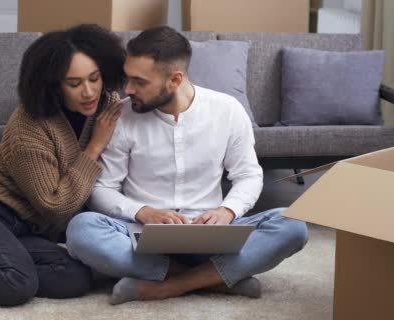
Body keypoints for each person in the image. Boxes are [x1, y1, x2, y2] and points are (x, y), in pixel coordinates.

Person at [65, 26, 308, 305]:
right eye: (127, 78)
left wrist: (227, 210)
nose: (128, 89)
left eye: (139, 82)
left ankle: (171, 285)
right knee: (81, 229)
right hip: (141, 236)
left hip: (212, 233)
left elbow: (249, 175)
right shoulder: (122, 116)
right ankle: (217, 280)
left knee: (293, 224)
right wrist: (143, 211)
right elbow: (103, 189)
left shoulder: (227, 110)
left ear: (175, 79)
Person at [0, 24, 126, 306]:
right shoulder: (28, 127)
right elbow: (55, 207)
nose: (89, 92)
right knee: (18, 283)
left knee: (75, 277)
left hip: (26, 229)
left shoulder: (107, 104)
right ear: (53, 86)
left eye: (94, 78)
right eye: (74, 83)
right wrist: (94, 147)